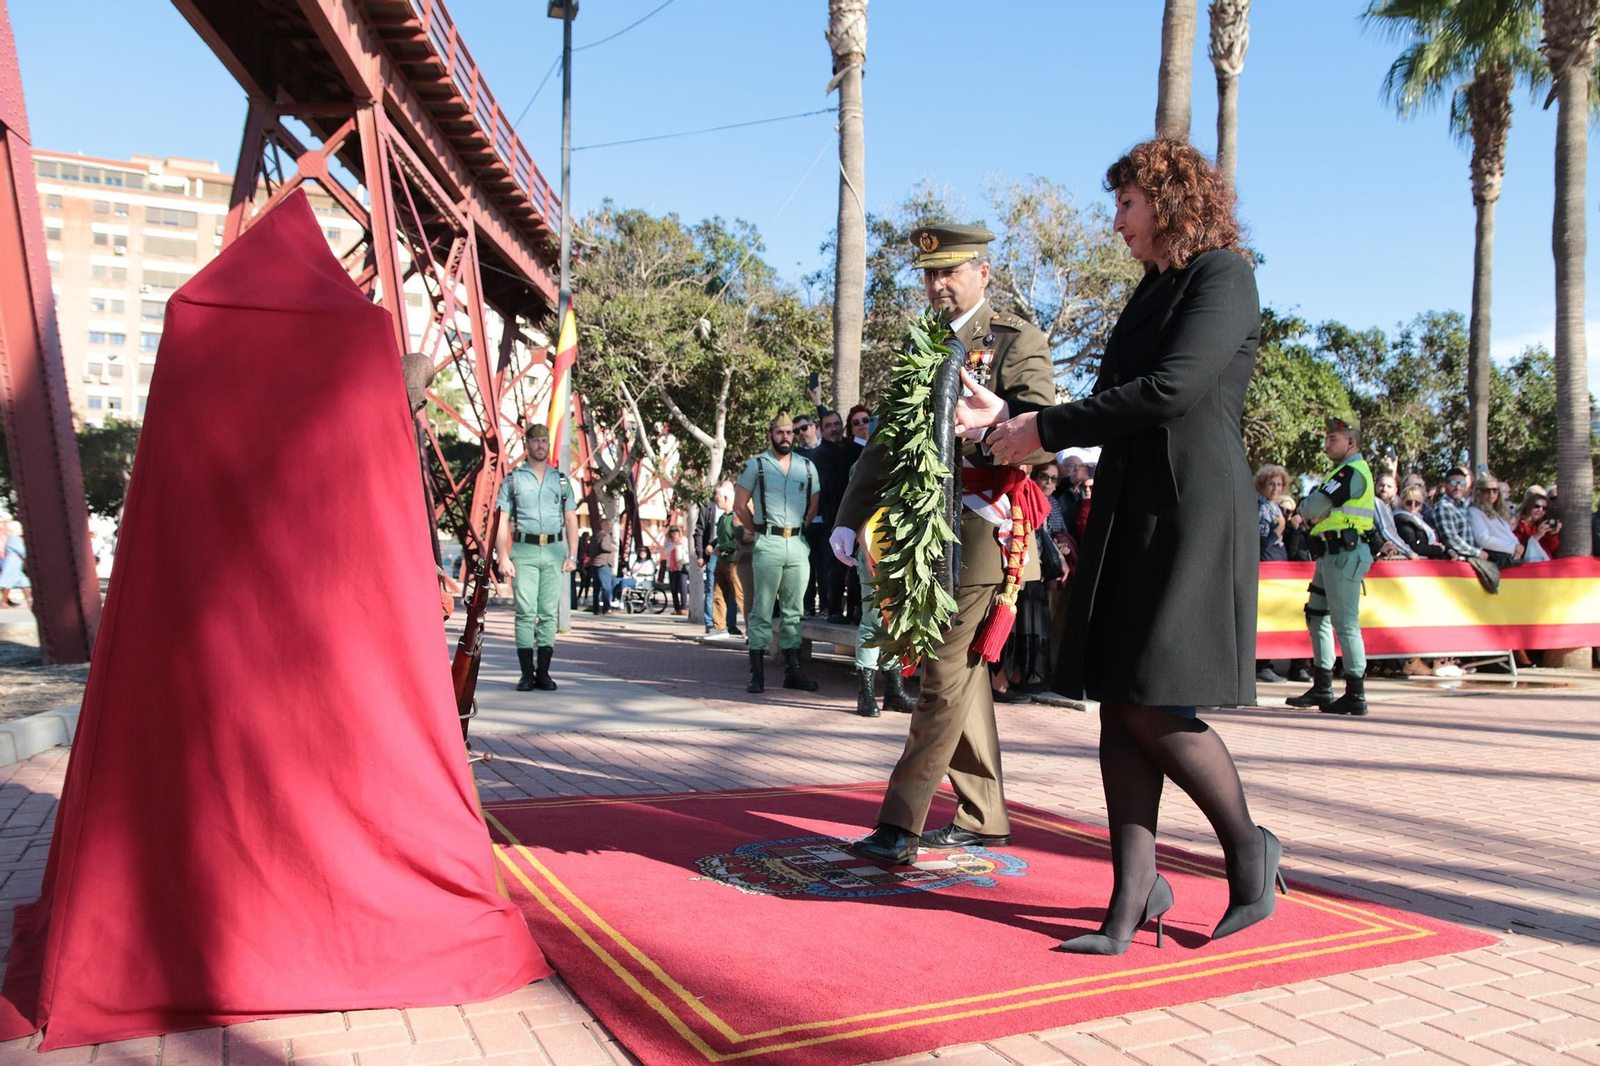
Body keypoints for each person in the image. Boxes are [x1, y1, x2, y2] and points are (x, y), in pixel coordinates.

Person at [965, 139, 1281, 954]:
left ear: (1171, 201)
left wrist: (1047, 424)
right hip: (1129, 504)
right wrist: (1008, 420)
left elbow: (1173, 390)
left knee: (1150, 698)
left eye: (1127, 204)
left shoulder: (1225, 276)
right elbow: (1113, 401)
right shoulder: (1155, 288)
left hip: (1190, 509)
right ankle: (1132, 896)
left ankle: (1250, 847)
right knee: (1116, 697)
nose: (1117, 223)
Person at [832, 221, 1054, 865]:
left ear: (982, 273)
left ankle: (900, 825)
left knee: (942, 672)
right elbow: (885, 441)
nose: (936, 285)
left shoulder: (1014, 341)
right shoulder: (922, 345)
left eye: (948, 272)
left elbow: (1041, 428)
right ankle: (984, 814)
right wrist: (851, 512)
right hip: (926, 530)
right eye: (928, 274)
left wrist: (987, 430)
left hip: (987, 532)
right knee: (958, 674)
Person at [1285, 417, 1376, 717]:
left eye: (1333, 439)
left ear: (1351, 442)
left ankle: (1355, 693)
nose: (1327, 444)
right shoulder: (1339, 472)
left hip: (1345, 554)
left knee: (1345, 623)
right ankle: (1323, 685)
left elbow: (1311, 509)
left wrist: (1311, 512)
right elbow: (1314, 511)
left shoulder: (1351, 472)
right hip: (1330, 554)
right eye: (1326, 439)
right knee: (1316, 615)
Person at [734, 411, 821, 693]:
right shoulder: (755, 465)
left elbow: (814, 504)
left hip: (796, 544)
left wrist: (798, 529)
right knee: (762, 609)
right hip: (768, 541)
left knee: (794, 611)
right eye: (780, 432)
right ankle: (756, 672)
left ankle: (792, 672)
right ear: (770, 435)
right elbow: (739, 505)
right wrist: (758, 529)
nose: (785, 437)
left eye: (789, 432)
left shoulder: (806, 466)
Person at [495, 424, 579, 692]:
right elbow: (502, 521)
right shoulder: (513, 480)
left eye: (544, 441)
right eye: (536, 441)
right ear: (527, 444)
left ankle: (543, 673)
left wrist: (573, 555)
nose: (541, 445)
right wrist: (503, 556)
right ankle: (526, 674)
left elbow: (571, 519)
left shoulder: (561, 481)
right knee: (525, 612)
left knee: (548, 613)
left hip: (554, 551)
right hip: (524, 551)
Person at [811, 408, 859, 623]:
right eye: (828, 425)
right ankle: (834, 610)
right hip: (835, 517)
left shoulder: (853, 448)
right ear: (822, 430)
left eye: (836, 424)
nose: (834, 429)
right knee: (837, 563)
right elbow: (831, 485)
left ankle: (855, 609)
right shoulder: (821, 454)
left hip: (857, 513)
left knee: (856, 564)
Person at [1254, 465, 1288, 684]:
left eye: (1279, 484)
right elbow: (1260, 541)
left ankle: (1267, 662)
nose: (1275, 488)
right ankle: (1261, 664)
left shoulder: (1276, 509)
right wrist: (1278, 529)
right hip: (1264, 565)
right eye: (1271, 484)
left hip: (1279, 566)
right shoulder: (1259, 507)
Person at [712, 483, 745, 637]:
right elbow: (720, 538)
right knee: (718, 593)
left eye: (717, 497)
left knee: (739, 595)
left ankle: (751, 629)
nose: (715, 500)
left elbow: (737, 540)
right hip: (721, 561)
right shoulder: (722, 518)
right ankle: (719, 626)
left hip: (733, 561)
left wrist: (721, 547)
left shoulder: (736, 517)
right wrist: (712, 545)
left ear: (726, 498)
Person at [1468, 476, 1523, 567]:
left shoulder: (1498, 511)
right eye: (1486, 490)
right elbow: (1483, 539)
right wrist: (1513, 547)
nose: (1491, 494)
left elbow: (1507, 533)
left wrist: (1518, 546)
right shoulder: (1474, 511)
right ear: (1478, 492)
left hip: (1511, 556)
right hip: (1495, 560)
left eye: (1495, 490)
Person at [1431, 468, 1483, 561]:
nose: (1458, 487)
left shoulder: (1463, 506)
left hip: (1471, 559)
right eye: (1453, 483)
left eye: (1462, 483)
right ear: (1445, 485)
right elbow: (1450, 539)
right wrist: (1477, 553)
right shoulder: (1443, 506)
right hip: (1457, 561)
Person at [1393, 487, 1451, 559]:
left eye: (1417, 503)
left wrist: (1447, 549)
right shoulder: (1402, 520)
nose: (1413, 506)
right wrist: (1439, 549)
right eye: (1409, 502)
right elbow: (1413, 547)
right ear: (1402, 502)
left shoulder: (1422, 518)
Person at [1372, 473, 1417, 560]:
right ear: (1375, 486)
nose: (1384, 489)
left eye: (1389, 486)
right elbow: (1386, 531)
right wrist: (1409, 552)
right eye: (1381, 485)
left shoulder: (1387, 506)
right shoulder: (1376, 502)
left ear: (1395, 490)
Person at [1514, 488, 1561, 561]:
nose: (1540, 510)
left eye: (1544, 508)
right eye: (1537, 506)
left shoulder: (1543, 524)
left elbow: (1552, 548)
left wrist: (1553, 534)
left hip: (1546, 565)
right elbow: (1519, 548)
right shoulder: (1518, 525)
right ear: (1529, 506)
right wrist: (1537, 536)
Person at [590, 522, 617, 615]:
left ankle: (596, 609)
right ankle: (606, 608)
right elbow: (604, 546)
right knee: (607, 587)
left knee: (596, 588)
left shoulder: (595, 535)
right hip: (604, 563)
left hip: (595, 563)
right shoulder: (605, 535)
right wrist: (613, 548)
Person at [663, 526, 688, 614]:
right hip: (671, 567)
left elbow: (686, 551)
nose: (674, 533)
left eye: (676, 531)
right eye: (672, 532)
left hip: (681, 566)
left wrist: (682, 561)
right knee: (673, 589)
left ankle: (683, 608)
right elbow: (666, 551)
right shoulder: (668, 542)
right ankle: (676, 608)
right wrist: (675, 544)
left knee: (683, 588)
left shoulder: (684, 540)